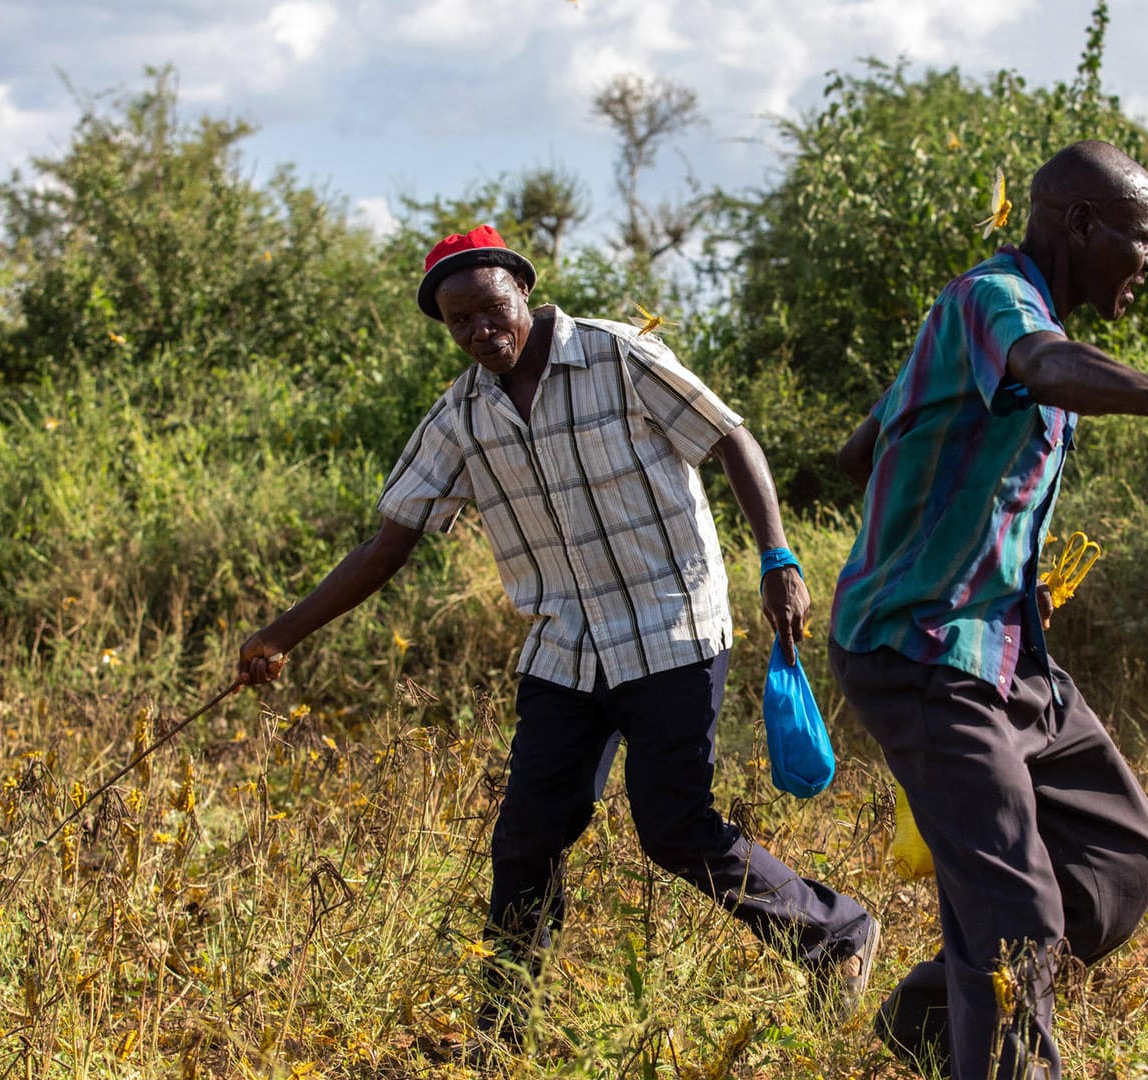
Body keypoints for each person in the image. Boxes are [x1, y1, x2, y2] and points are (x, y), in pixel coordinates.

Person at [237, 225, 880, 1038]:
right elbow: (387, 544)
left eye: (490, 309)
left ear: (523, 293)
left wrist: (777, 555)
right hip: (564, 648)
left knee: (674, 826)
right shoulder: (461, 417)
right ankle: (500, 1032)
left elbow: (728, 438)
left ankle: (833, 934)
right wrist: (280, 635)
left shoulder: (616, 355)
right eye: (458, 322)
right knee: (526, 839)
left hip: (671, 626)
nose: (480, 332)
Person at [829, 141, 1148, 1079]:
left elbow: (861, 451)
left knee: (1123, 857)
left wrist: (926, 444)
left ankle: (930, 1016)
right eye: (1143, 240)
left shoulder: (970, 321)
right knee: (1018, 926)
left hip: (1010, 654)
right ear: (1082, 225)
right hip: (926, 652)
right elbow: (1048, 366)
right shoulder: (993, 301)